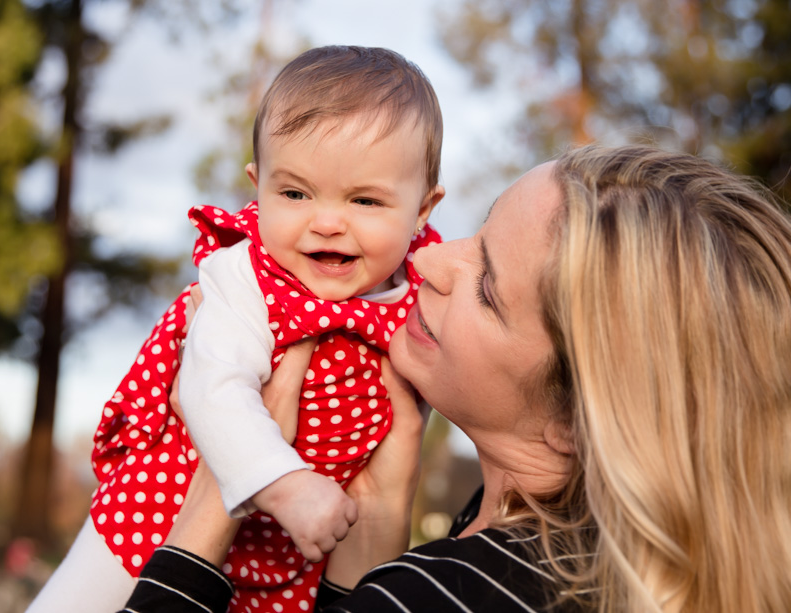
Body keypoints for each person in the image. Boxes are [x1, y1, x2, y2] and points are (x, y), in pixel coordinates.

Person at [118, 144, 791, 612]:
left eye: (489, 287)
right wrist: (379, 521)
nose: (433, 265)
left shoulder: (448, 596)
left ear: (572, 424)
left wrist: (209, 508)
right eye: (476, 234)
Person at [26, 45, 444, 613]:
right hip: (164, 510)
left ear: (423, 210)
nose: (325, 222)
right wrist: (288, 485)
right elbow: (211, 389)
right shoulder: (248, 275)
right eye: (294, 193)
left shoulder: (421, 294)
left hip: (295, 546)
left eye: (365, 200)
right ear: (258, 185)